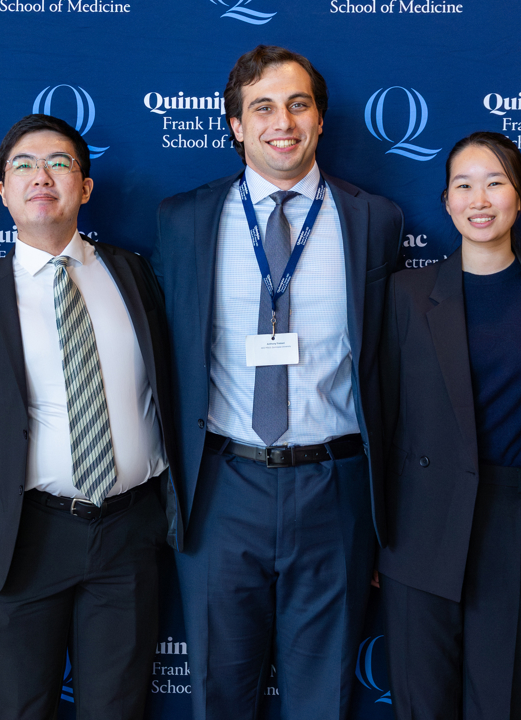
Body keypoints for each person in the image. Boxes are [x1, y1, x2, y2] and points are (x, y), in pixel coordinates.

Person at [152, 45, 403, 719]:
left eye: (298, 104)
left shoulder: (374, 220)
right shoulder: (184, 220)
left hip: (336, 489)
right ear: (235, 124)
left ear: (320, 120)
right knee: (218, 689)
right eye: (261, 107)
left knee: (324, 696)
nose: (282, 122)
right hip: (222, 485)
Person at [0, 114, 171, 720]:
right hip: (25, 535)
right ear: (3, 191)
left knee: (118, 708)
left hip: (129, 530)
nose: (40, 177)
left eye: (59, 164)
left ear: (86, 187)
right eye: (23, 166)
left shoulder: (134, 275)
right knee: (22, 706)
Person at [376, 131, 521, 719]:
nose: (479, 198)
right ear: (445, 201)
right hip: (419, 516)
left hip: (517, 518)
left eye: (495, 183)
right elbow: (382, 412)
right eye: (464, 185)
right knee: (421, 700)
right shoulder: (405, 293)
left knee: (502, 701)